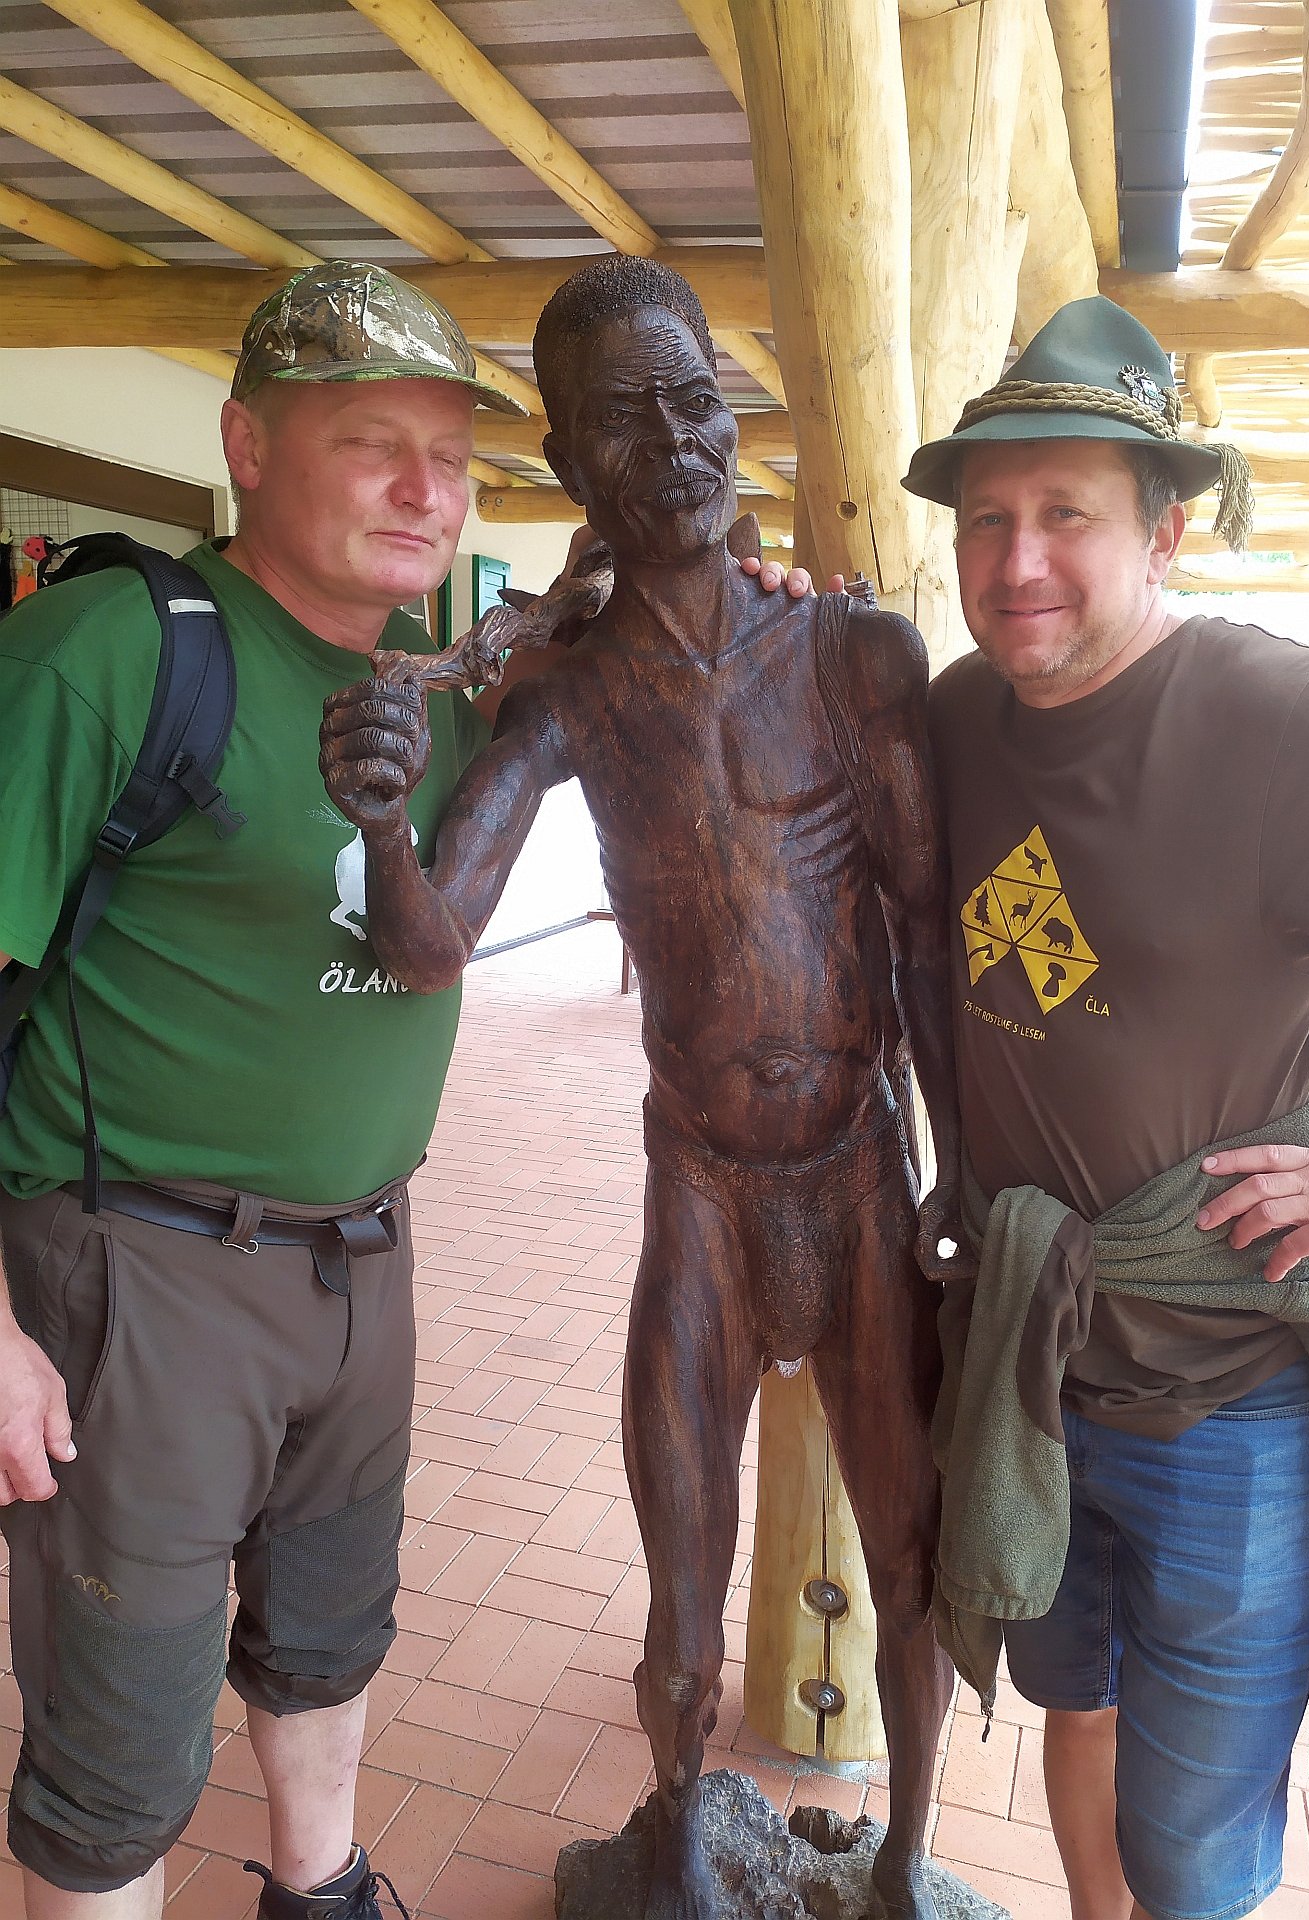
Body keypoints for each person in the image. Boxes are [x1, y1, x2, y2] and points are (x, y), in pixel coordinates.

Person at [318, 253, 962, 1920]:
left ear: (731, 416)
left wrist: (959, 1177)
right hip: (704, 1189)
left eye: (696, 403)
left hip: (859, 1171)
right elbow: (433, 946)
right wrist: (382, 822)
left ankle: (907, 1857)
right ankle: (677, 1842)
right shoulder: (568, 692)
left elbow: (929, 932)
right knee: (682, 1597)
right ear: (571, 459)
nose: (674, 444)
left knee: (912, 1560)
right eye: (626, 420)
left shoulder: (857, 654)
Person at [886, 295, 1309, 1920]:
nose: (1018, 561)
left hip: (1237, 1394)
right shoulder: (955, 719)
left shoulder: (1301, 726)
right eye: (986, 520)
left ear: (1168, 529)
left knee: (1193, 1855)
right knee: (1079, 1709)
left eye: (1067, 514)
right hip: (1037, 1366)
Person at [0, 261, 504, 1920]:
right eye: (372, 444)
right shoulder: (111, 651)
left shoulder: (445, 689)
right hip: (144, 1275)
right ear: (246, 447)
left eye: (451, 456)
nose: (424, 489)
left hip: (363, 1260)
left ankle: (321, 1889)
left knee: (328, 1636)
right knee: (123, 1741)